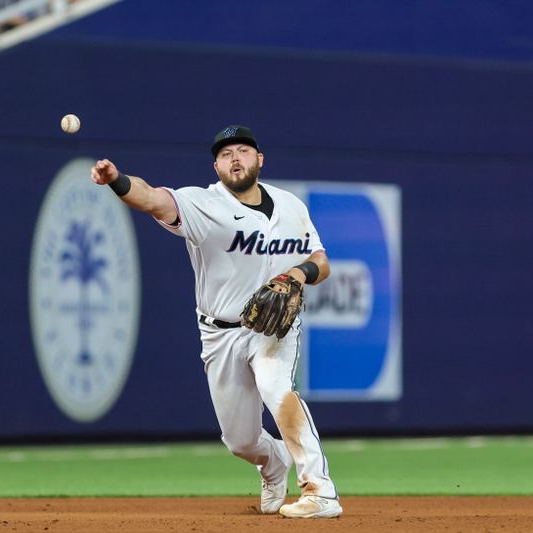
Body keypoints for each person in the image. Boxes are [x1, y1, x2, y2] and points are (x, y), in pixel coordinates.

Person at [90, 125, 343, 519]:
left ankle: (320, 490)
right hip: (219, 332)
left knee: (277, 389)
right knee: (240, 441)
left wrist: (296, 275)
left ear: (260, 159)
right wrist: (116, 181)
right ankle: (274, 461)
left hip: (271, 327)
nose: (235, 158)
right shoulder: (201, 204)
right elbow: (152, 198)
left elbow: (321, 262)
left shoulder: (291, 205)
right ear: (216, 165)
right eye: (226, 154)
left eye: (243, 150)